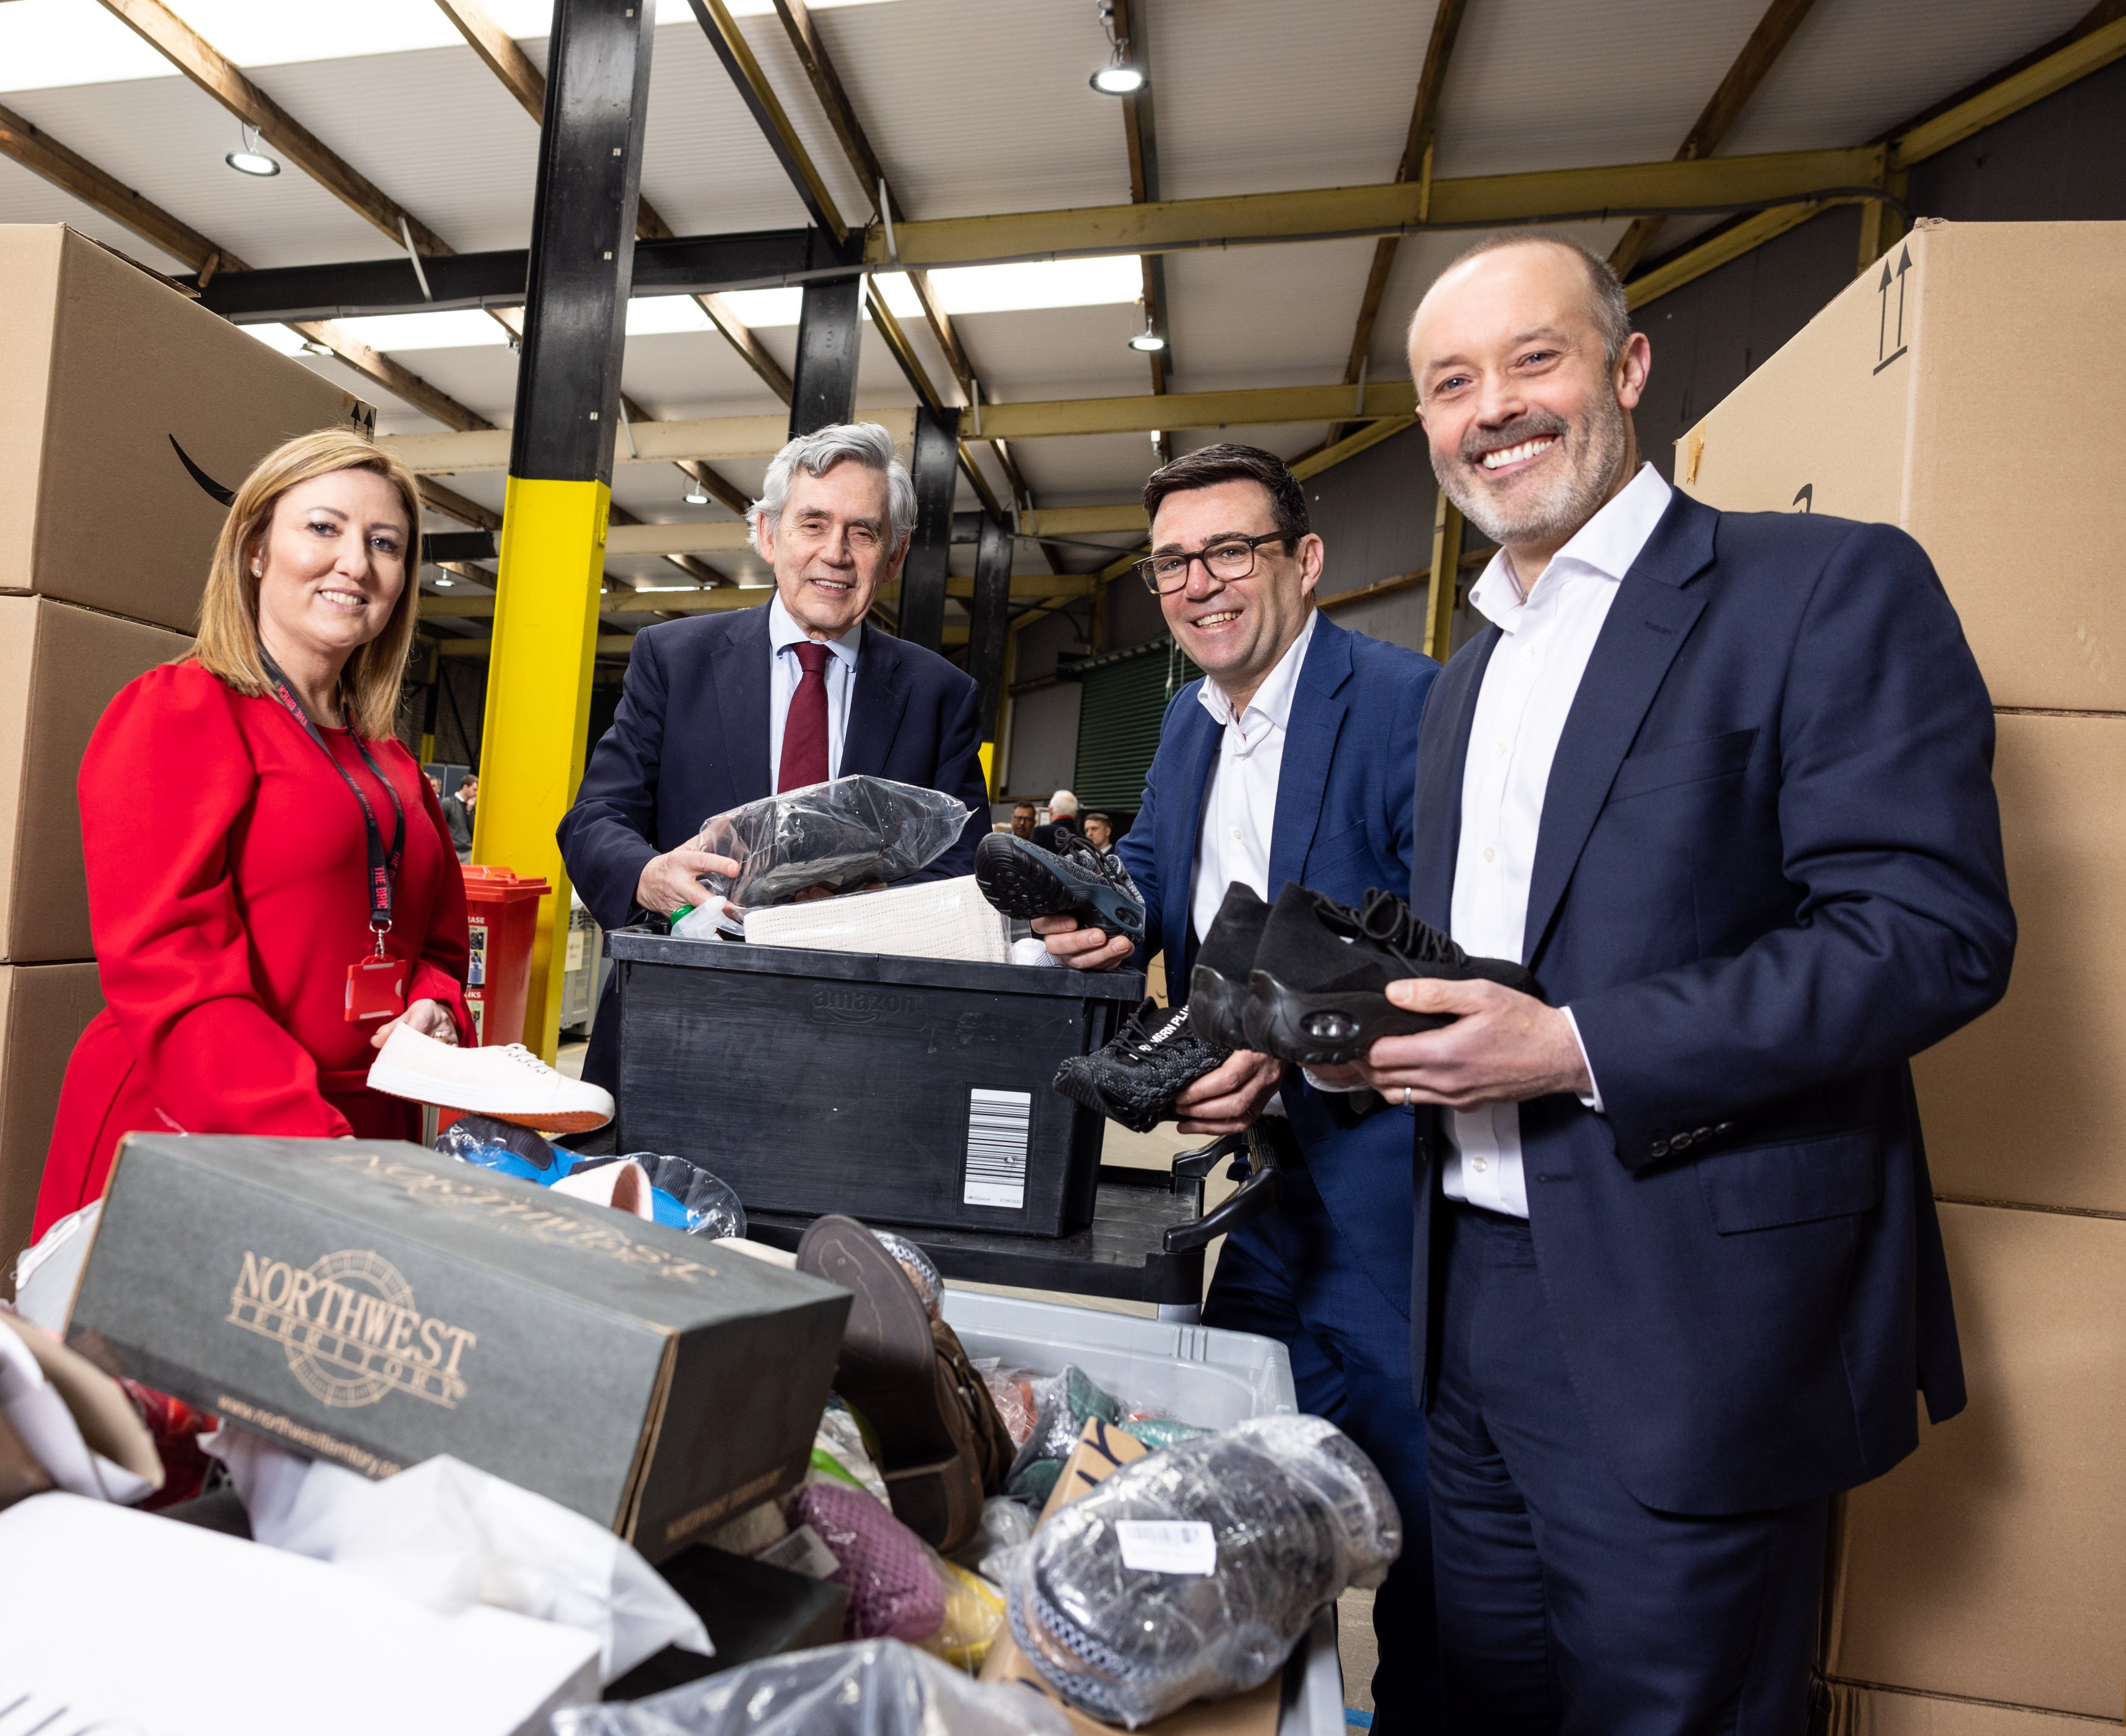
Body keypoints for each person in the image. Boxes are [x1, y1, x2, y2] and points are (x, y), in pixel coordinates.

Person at [1311, 232, 2014, 1734]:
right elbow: (1487, 957)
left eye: (1533, 360)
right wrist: (1362, 1032)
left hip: (1687, 1313)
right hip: (1466, 1296)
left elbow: (1928, 931)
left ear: (1627, 368)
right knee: (1471, 1700)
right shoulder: (1467, 678)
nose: (1493, 409)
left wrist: (1575, 1048)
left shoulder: (1819, 589)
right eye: (1451, 383)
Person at [1033, 442, 1442, 1731]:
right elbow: (1164, 870)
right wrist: (1098, 912)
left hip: (1394, 1198)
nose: (1198, 583)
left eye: (1228, 550)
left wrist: (1302, 1043)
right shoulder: (1187, 719)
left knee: (1429, 1550)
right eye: (1171, 563)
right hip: (1267, 1196)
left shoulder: (1407, 704)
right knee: (1245, 1495)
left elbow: (1447, 944)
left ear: (1303, 561)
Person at [32, 430, 475, 1236]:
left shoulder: (390, 762)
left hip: (362, 1127)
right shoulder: (180, 711)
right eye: (324, 528)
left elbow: (439, 948)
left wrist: (434, 1007)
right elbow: (169, 965)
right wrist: (312, 1148)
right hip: (203, 1122)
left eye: (384, 544)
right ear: (255, 551)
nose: (355, 563)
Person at [558, 422, 990, 1091]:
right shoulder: (673, 661)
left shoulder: (940, 696)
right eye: (812, 524)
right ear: (767, 534)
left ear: (895, 555)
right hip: (676, 1028)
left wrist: (873, 909)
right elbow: (593, 819)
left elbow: (966, 871)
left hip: (862, 1048)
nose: (835, 554)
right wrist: (648, 874)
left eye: (863, 533)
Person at [443, 775, 477, 854]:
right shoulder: (448, 803)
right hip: (453, 850)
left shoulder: (472, 806)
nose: (476, 793)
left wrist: (469, 812)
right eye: (474, 790)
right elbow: (440, 827)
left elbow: (474, 830)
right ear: (465, 787)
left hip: (468, 850)